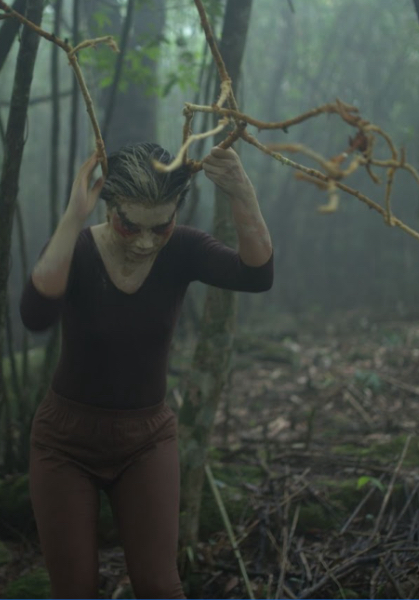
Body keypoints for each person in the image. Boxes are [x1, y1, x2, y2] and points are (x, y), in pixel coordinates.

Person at [20, 141, 274, 599]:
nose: (143, 240)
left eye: (160, 227)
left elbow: (256, 275)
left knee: (160, 585)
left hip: (147, 439)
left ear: (177, 210)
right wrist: (73, 215)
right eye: (128, 224)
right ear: (109, 206)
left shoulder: (183, 250)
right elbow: (36, 314)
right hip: (64, 443)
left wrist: (242, 191)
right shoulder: (78, 247)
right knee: (74, 589)